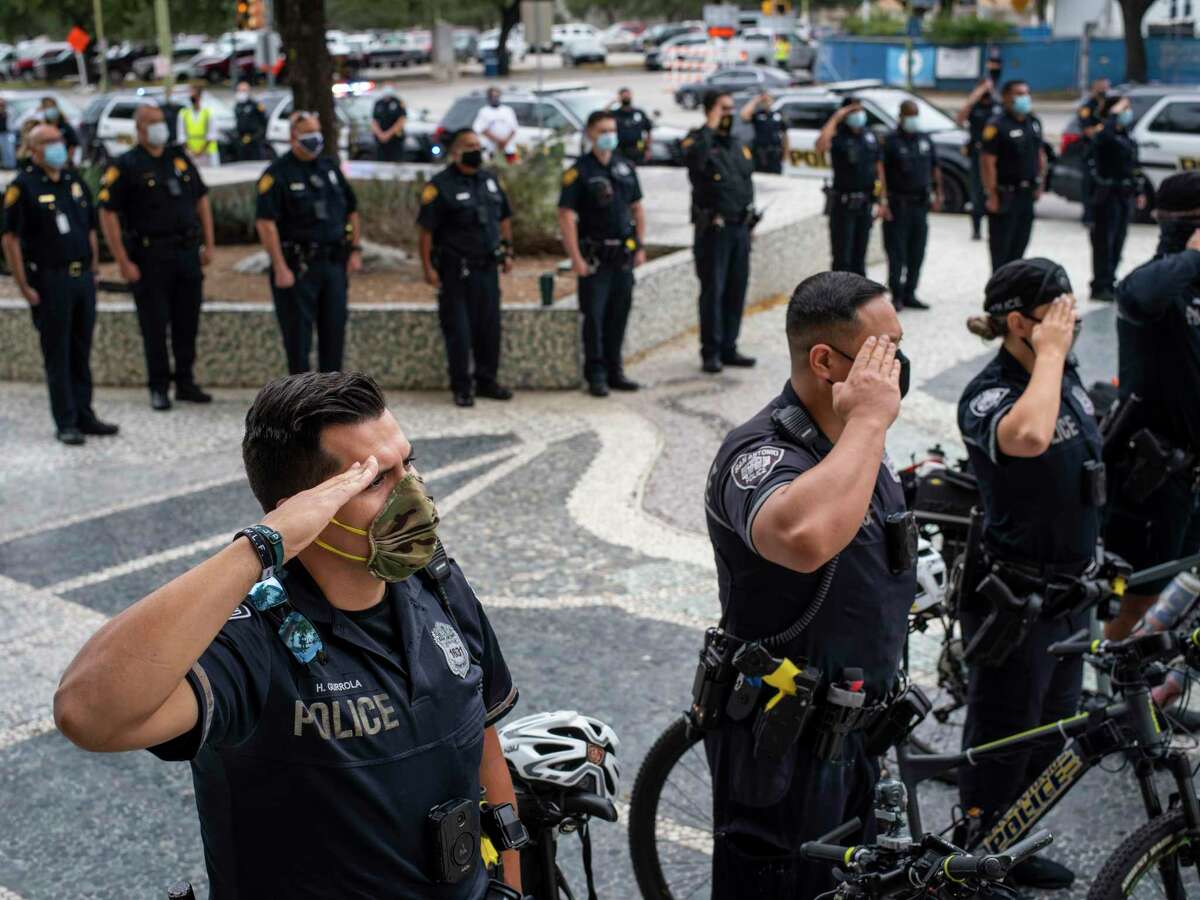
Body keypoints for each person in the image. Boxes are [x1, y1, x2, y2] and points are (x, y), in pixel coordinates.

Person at [54, 371, 523, 899]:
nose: (413, 493)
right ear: (305, 509)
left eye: (406, 464)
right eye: (374, 481)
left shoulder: (436, 585)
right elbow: (87, 713)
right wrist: (260, 546)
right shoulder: (251, 639)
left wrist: (510, 879)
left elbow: (483, 740)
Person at [704, 271, 913, 897]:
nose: (895, 368)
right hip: (782, 746)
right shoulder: (757, 452)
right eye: (883, 351)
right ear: (826, 361)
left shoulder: (852, 440)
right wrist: (870, 423)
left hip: (862, 735)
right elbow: (803, 539)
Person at [956, 259, 1095, 890]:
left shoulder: (1060, 374)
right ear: (1019, 323)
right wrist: (1050, 356)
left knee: (1052, 731)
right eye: (1058, 315)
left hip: (1071, 591)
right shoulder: (989, 393)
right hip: (1018, 597)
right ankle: (975, 857)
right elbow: (1032, 437)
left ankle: (1013, 843)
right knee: (1004, 737)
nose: (1070, 327)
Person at [1102, 172, 1200, 640]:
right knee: (1139, 594)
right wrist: (1194, 255)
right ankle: (1119, 695)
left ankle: (1160, 685)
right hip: (1156, 471)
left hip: (1193, 471)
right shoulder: (1158, 286)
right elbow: (1137, 293)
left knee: (1185, 588)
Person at [1, 125, 118, 445]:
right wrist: (23, 285)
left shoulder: (73, 181)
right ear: (33, 149)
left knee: (81, 350)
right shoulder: (23, 187)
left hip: (83, 279)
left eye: (60, 141)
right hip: (51, 280)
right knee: (58, 353)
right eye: (49, 142)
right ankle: (65, 420)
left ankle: (85, 414)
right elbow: (10, 239)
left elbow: (89, 227)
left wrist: (94, 266)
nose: (58, 147)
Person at [98, 104, 215, 411]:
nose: (160, 128)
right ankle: (158, 386)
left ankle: (186, 381)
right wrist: (122, 260)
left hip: (186, 253)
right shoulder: (125, 165)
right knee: (154, 324)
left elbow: (201, 199)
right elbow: (107, 213)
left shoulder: (177, 158)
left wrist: (209, 244)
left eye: (162, 122)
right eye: (152, 123)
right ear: (139, 129)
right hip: (150, 257)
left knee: (187, 321)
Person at [255, 112, 363, 376]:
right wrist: (280, 267)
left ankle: (332, 398)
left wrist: (355, 250)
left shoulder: (329, 168)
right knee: (298, 340)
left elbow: (351, 209)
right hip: (297, 267)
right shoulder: (277, 174)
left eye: (318, 132)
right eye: (308, 134)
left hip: (333, 263)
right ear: (293, 137)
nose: (315, 139)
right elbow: (266, 224)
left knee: (334, 332)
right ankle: (300, 403)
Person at [418, 128, 515, 407]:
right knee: (459, 332)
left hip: (487, 268)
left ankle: (487, 380)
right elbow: (426, 232)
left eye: (478, 144)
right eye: (470, 145)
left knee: (489, 328)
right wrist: (428, 269)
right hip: (455, 272)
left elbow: (505, 219)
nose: (477, 149)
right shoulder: (440, 185)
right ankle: (462, 386)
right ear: (456, 152)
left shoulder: (491, 180)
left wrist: (508, 251)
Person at [557, 110, 646, 397]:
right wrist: (576, 259)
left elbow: (637, 208)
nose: (609, 135)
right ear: (590, 135)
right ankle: (595, 374)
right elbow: (566, 216)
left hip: (622, 256)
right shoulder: (579, 171)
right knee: (594, 319)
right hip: (594, 259)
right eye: (602, 131)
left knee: (618, 316)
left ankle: (614, 370)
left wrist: (640, 246)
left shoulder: (625, 166)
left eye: (612, 130)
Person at [684, 90, 757, 374]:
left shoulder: (736, 144)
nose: (730, 114)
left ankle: (730, 346)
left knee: (736, 289)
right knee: (713, 291)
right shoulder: (699, 141)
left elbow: (746, 183)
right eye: (723, 109)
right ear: (710, 111)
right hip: (714, 230)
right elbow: (693, 161)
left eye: (731, 109)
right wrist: (709, 126)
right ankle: (710, 352)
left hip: (739, 228)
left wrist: (750, 222)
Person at [880, 100, 942, 312]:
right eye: (909, 115)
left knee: (917, 250)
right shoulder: (890, 141)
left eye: (916, 114)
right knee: (897, 252)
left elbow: (935, 167)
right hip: (898, 205)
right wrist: (883, 201)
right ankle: (896, 294)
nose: (913, 119)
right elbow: (881, 172)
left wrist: (938, 192)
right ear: (901, 116)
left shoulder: (925, 139)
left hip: (920, 204)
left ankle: (910, 292)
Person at [980, 80, 1046, 271]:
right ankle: (998, 294)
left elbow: (1039, 154)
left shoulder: (1033, 122)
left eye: (1026, 93)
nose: (1024, 98)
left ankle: (1014, 293)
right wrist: (991, 193)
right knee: (1002, 249)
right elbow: (987, 162)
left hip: (1027, 193)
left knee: (1020, 247)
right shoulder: (997, 125)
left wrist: (1040, 182)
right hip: (1005, 194)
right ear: (1006, 97)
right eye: (1019, 94)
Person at [816, 97, 882, 276]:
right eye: (853, 111)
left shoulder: (869, 135)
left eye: (860, 110)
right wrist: (837, 117)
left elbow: (878, 166)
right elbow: (820, 146)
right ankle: (841, 301)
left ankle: (859, 300)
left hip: (865, 203)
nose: (859, 115)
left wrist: (882, 199)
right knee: (842, 258)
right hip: (843, 204)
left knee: (859, 257)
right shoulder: (838, 136)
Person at [1089, 94, 1145, 302]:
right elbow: (1104, 139)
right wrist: (1112, 114)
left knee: (1118, 240)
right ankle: (1100, 284)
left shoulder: (1127, 136)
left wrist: (1139, 191)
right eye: (1123, 109)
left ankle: (1110, 280)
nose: (1127, 113)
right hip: (1107, 194)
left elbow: (1134, 166)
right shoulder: (1104, 133)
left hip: (1124, 194)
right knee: (1104, 240)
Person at [954, 50, 1003, 242]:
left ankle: (994, 227)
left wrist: (992, 93)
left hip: (995, 153)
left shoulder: (996, 104)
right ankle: (976, 229)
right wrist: (976, 95)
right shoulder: (974, 105)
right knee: (976, 192)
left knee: (994, 188)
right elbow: (960, 118)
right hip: (977, 152)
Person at [1076, 77, 1110, 227]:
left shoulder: (1109, 106)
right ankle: (1088, 216)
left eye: (1106, 87)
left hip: (1106, 153)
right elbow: (1088, 131)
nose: (1103, 90)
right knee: (1089, 185)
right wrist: (1105, 128)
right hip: (1091, 152)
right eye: (1100, 87)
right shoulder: (1087, 107)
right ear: (1094, 88)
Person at [740, 91, 788, 175]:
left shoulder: (779, 115)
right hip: (760, 153)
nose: (767, 102)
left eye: (768, 99)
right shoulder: (758, 115)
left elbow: (785, 136)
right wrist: (755, 101)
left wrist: (786, 154)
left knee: (775, 177)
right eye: (764, 100)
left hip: (775, 153)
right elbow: (744, 115)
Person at [472, 88, 519, 163]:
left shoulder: (508, 110)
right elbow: (480, 129)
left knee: (512, 167)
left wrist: (505, 141)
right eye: (492, 96)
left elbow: (514, 128)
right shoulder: (484, 111)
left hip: (508, 147)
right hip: (491, 148)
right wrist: (498, 141)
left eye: (496, 96)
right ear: (488, 98)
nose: (495, 98)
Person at [181, 84, 219, 167]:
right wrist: (190, 150)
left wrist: (200, 151)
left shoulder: (208, 112)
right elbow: (181, 135)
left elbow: (212, 134)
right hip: (190, 153)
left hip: (207, 153)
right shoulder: (184, 113)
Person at [612, 87, 652, 165]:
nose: (626, 98)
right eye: (624, 96)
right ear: (619, 97)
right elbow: (600, 116)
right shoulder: (614, 114)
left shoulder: (639, 113)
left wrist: (648, 149)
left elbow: (648, 130)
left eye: (628, 95)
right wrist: (613, 102)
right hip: (620, 149)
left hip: (638, 147)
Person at [232, 81, 269, 161]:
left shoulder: (255, 105)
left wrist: (256, 137)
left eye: (243, 91)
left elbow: (264, 122)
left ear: (249, 91)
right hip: (242, 140)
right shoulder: (238, 106)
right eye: (239, 91)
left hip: (254, 140)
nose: (241, 93)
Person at [371, 89, 408, 162]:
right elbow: (374, 120)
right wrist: (380, 134)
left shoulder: (398, 102)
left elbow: (401, 120)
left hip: (395, 139)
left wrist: (388, 134)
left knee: (396, 160)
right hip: (381, 139)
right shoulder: (379, 103)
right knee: (380, 160)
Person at [0, 96, 15, 169]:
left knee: (9, 150)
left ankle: (11, 165)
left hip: (7, 133)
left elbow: (12, 122)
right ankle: (5, 165)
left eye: (2, 105)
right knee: (3, 151)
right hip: (1, 134)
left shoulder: (8, 112)